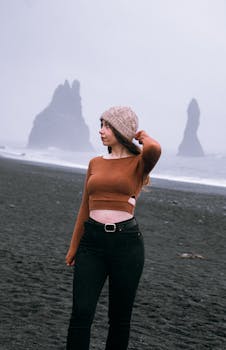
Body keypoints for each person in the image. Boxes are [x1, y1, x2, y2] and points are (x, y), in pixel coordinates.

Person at [65, 106, 161, 350]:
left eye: (107, 125)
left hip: (127, 245)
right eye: (101, 125)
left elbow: (154, 149)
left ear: (121, 129)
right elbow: (84, 207)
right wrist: (74, 246)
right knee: (81, 313)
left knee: (119, 319)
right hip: (92, 243)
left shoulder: (140, 163)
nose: (101, 131)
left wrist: (141, 135)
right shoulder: (95, 163)